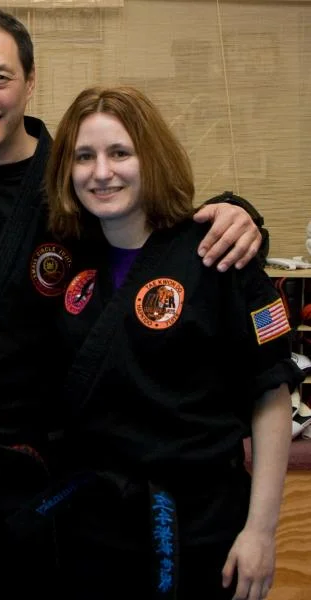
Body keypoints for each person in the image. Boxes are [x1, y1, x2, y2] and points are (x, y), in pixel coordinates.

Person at [0, 6, 266, 599]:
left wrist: (237, 211)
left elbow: (159, 232)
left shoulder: (73, 181)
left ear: (30, 80)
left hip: (45, 469)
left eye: (0, 77)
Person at [44, 85, 304, 600]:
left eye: (120, 152)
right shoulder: (68, 259)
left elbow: (271, 394)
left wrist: (260, 531)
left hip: (199, 526)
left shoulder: (216, 252)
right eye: (84, 157)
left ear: (151, 158)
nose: (101, 172)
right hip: (92, 528)